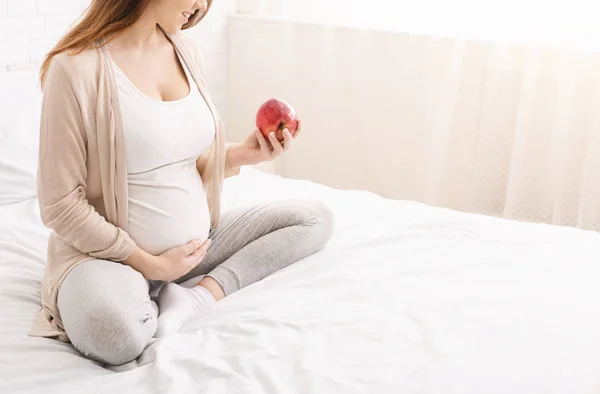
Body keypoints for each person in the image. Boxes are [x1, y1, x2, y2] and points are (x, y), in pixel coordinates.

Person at [30, 0, 334, 366]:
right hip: (111, 259)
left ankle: (197, 297)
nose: (203, 6)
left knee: (313, 218)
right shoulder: (75, 68)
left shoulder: (185, 50)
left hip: (193, 249)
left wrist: (239, 155)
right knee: (117, 336)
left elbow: (182, 160)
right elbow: (60, 203)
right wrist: (151, 265)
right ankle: (133, 291)